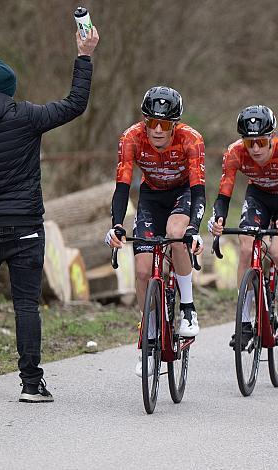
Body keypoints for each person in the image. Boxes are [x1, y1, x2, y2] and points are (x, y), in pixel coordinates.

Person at [0, 26, 99, 402]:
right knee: (26, 306)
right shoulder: (27, 115)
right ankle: (31, 384)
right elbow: (74, 104)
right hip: (24, 229)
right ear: (10, 89)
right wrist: (84, 56)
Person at [105, 86, 206, 376]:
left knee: (176, 234)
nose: (158, 130)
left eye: (165, 124)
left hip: (182, 193)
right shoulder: (131, 138)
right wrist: (117, 224)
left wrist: (194, 229)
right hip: (150, 197)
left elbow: (199, 191)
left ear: (175, 125)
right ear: (144, 121)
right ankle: (149, 336)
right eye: (152, 123)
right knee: (141, 270)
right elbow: (122, 187)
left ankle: (187, 308)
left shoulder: (191, 139)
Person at [209, 105, 278, 344]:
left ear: (272, 137)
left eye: (261, 142)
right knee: (246, 247)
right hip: (258, 197)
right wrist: (217, 218)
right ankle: (243, 322)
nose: (255, 148)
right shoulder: (234, 152)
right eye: (249, 143)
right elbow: (223, 196)